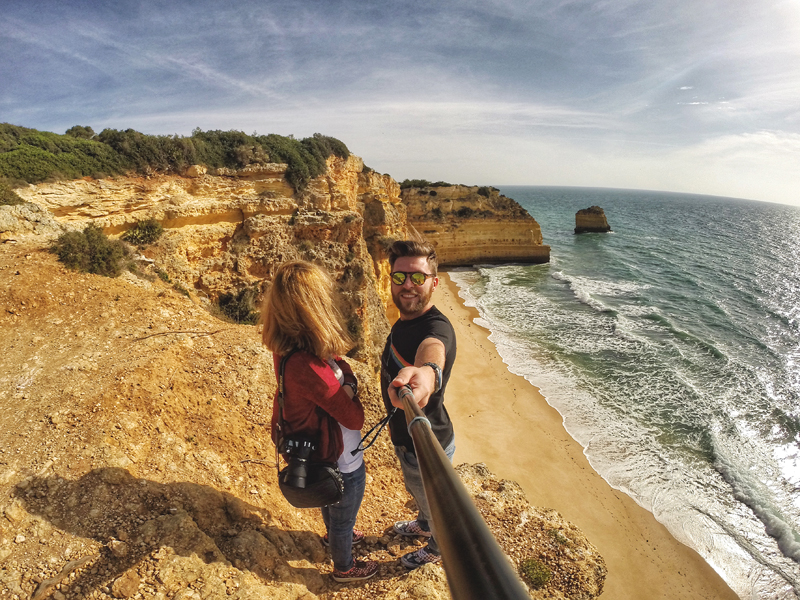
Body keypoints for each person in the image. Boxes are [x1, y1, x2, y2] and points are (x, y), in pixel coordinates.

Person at [261, 260, 378, 583]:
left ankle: (333, 536)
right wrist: (350, 388)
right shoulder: (310, 368)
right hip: (341, 457)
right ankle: (345, 568)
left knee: (332, 503)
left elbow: (339, 362)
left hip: (319, 452)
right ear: (314, 306)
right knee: (343, 517)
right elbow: (354, 417)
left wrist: (347, 381)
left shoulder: (288, 349)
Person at [381, 240, 457, 569]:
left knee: (437, 503)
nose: (408, 285)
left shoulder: (436, 327)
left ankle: (438, 547)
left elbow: (432, 351)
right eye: (400, 278)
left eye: (417, 277)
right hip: (407, 440)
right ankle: (425, 525)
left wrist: (427, 375)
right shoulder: (404, 322)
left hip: (429, 444)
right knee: (420, 494)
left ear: (434, 282)